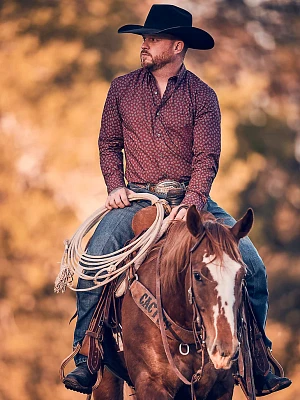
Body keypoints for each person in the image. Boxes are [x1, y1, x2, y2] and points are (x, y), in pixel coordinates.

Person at [63, 4, 291, 396]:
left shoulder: (204, 96)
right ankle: (87, 355)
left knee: (252, 269)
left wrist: (192, 201)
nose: (145, 45)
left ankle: (257, 358)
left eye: (154, 39)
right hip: (135, 199)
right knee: (90, 266)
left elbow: (207, 157)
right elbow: (109, 144)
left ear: (178, 46)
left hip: (193, 200)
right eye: (144, 38)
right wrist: (115, 185)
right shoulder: (121, 89)